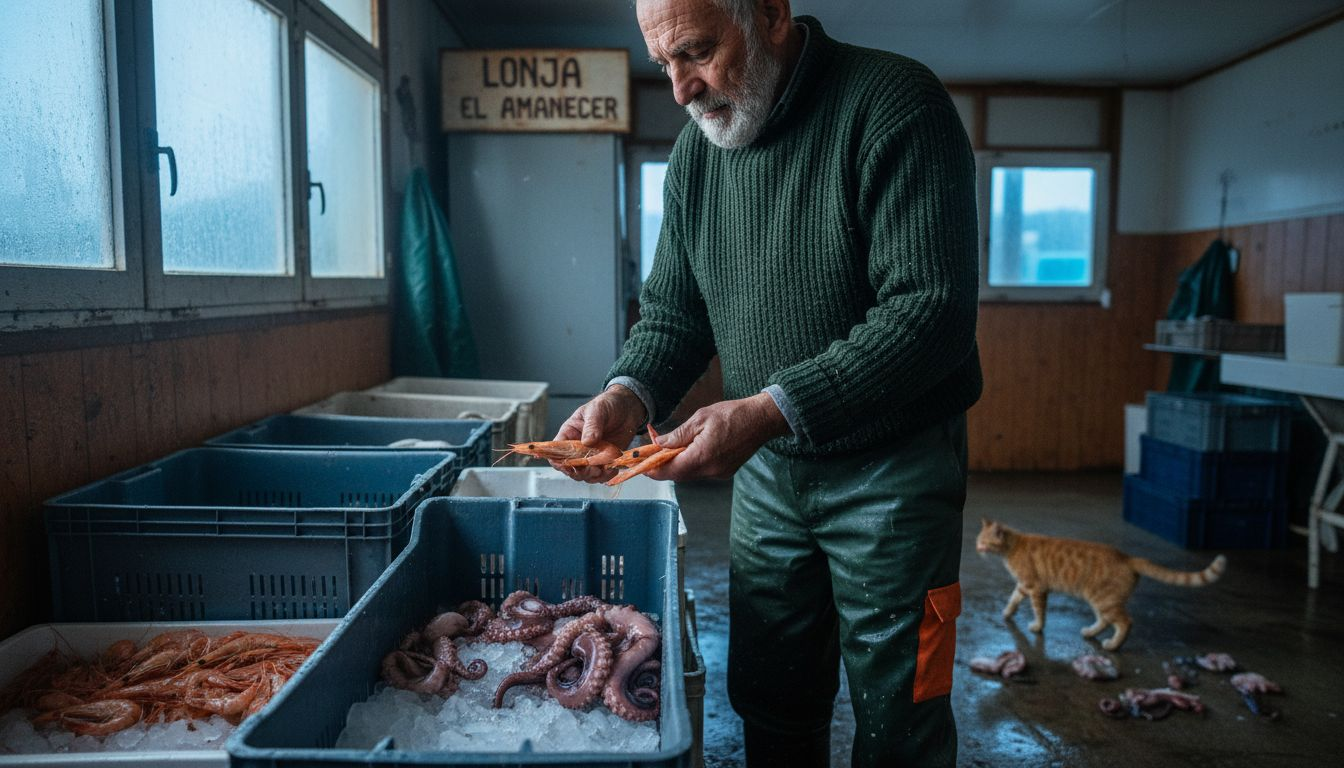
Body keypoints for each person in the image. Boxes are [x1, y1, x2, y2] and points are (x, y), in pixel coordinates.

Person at [553, 0, 981, 765]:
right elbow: (674, 316)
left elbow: (931, 312)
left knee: (901, 709)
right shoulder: (697, 154)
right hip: (770, 474)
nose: (681, 88)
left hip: (896, 474)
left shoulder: (894, 104)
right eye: (665, 64)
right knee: (771, 694)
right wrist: (627, 393)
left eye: (697, 52)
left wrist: (774, 408)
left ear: (773, 16)